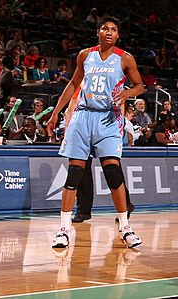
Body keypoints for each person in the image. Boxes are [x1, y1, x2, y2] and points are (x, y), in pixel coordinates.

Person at [46, 16, 144, 250]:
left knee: (113, 172)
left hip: (108, 119)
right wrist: (55, 114)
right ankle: (63, 229)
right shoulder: (84, 55)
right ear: (98, 32)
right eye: (105, 28)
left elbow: (140, 85)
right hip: (82, 116)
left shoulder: (125, 58)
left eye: (113, 29)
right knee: (74, 174)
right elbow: (72, 84)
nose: (109, 32)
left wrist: (128, 94)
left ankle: (125, 227)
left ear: (118, 35)